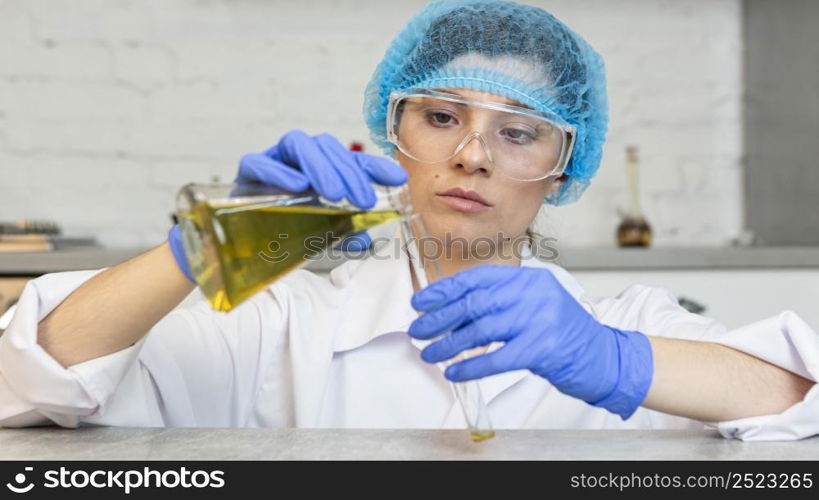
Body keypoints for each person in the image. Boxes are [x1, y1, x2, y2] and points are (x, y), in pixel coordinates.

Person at [1, 0, 816, 440]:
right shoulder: (284, 327)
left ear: (565, 166)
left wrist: (608, 360)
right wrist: (204, 246)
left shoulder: (621, 327)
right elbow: (42, 377)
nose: (472, 156)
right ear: (393, 131)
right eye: (440, 117)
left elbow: (797, 399)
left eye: (518, 132)